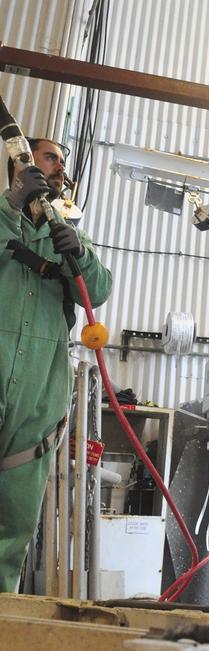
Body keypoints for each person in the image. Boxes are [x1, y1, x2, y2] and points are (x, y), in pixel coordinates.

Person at [0, 138, 112, 592]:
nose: (60, 169)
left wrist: (78, 254)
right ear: (21, 166)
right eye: (51, 159)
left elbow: (99, 290)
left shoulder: (67, 232)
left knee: (15, 517)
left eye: (63, 164)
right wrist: (12, 204)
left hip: (40, 384)